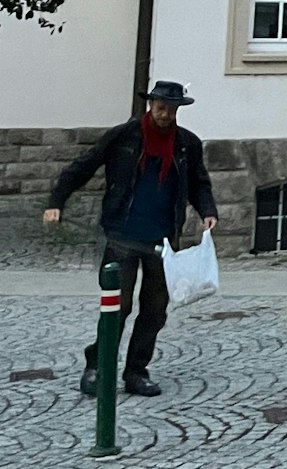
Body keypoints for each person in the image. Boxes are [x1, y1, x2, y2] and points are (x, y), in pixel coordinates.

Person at [45, 80, 217, 398]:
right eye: (160, 106)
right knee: (117, 307)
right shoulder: (124, 135)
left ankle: (136, 372)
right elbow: (83, 166)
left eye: (171, 108)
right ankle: (97, 366)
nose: (165, 113)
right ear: (150, 105)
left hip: (163, 240)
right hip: (122, 235)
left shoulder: (186, 144)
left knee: (154, 312)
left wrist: (208, 210)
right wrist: (57, 200)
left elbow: (199, 183)